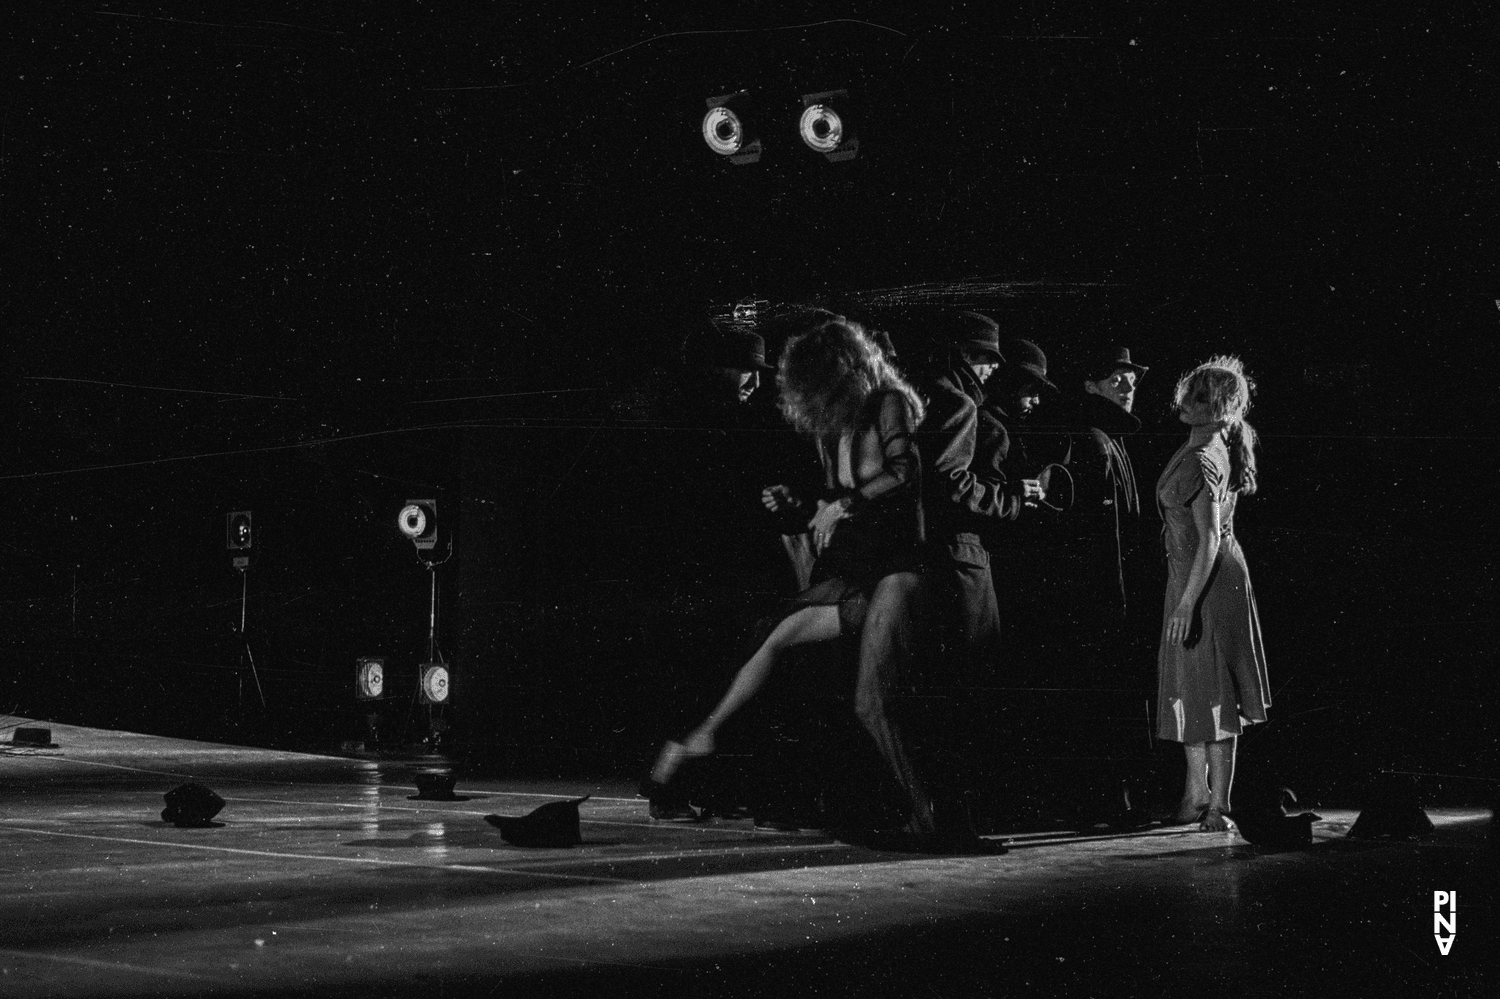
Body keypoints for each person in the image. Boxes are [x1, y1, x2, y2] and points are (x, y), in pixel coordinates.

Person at [645, 318, 941, 839]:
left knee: (873, 703)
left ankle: (929, 820)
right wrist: (801, 503)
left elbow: (904, 473)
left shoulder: (887, 401)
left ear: (840, 371)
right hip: (856, 572)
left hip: (896, 570)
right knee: (773, 634)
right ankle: (703, 735)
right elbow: (829, 507)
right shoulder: (836, 426)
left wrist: (842, 502)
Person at [1155, 355, 1270, 832]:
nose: (1190, 401)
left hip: (1206, 582)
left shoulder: (1204, 458)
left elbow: (1210, 539)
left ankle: (1217, 803)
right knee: (1191, 688)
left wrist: (1186, 603)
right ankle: (1194, 794)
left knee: (1215, 693)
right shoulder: (1201, 447)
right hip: (1193, 576)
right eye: (1192, 391)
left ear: (1223, 411)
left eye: (1204, 397)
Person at [913, 312, 1044, 672]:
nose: (991, 370)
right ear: (966, 357)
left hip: (916, 551)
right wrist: (1014, 498)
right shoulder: (959, 403)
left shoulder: (916, 396)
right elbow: (951, 483)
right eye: (988, 359)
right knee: (974, 669)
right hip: (958, 554)